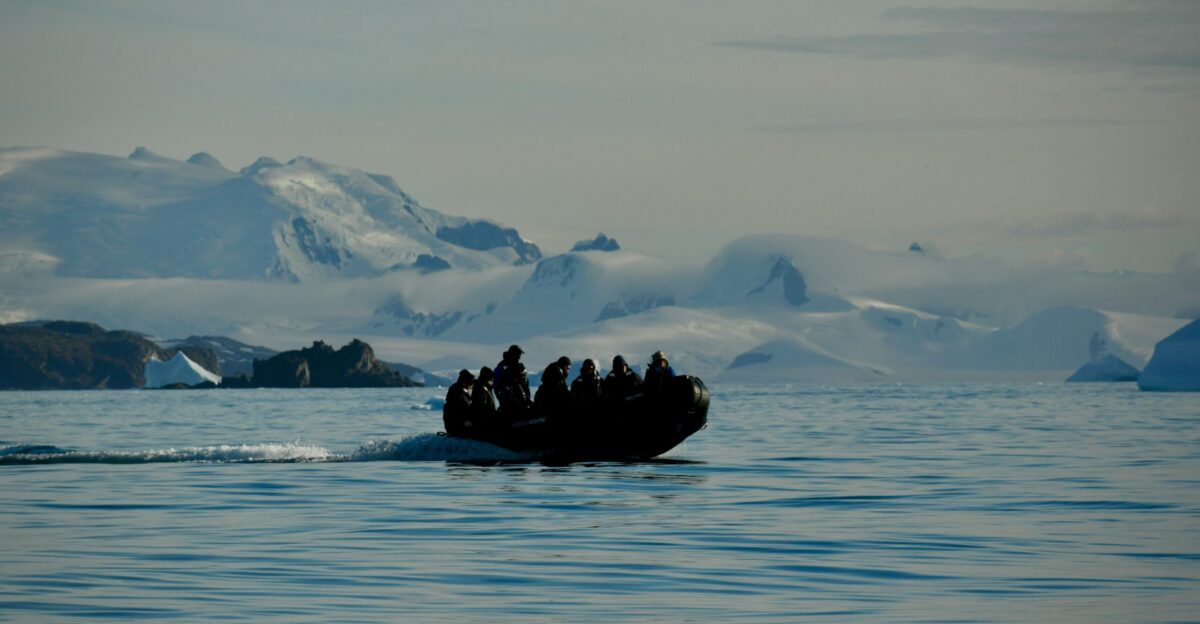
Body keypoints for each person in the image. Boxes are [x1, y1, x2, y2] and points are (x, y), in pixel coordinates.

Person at [494, 345, 531, 415]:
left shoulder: (520, 367)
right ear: (513, 354)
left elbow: (525, 384)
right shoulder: (503, 367)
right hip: (510, 406)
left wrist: (527, 400)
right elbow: (498, 387)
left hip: (523, 404)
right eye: (518, 354)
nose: (519, 356)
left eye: (520, 354)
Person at [442, 369, 474, 436]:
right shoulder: (458, 392)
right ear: (465, 382)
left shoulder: (457, 389)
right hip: (456, 426)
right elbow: (456, 411)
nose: (470, 387)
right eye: (469, 384)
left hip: (454, 425)